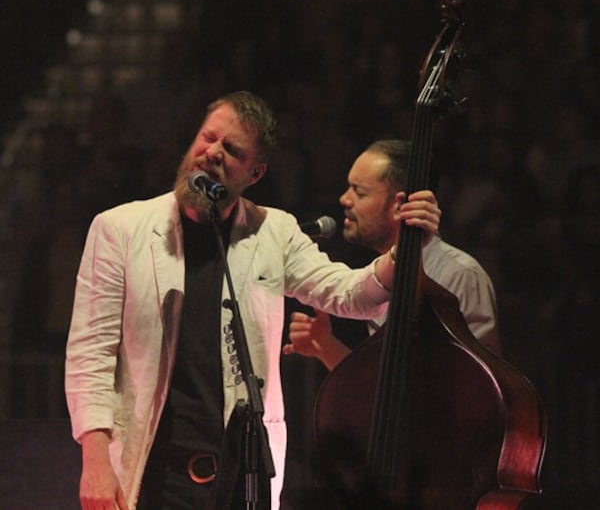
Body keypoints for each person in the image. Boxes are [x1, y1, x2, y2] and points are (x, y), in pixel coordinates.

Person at [64, 92, 441, 510]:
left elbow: (351, 295)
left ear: (254, 173)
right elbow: (90, 354)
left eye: (232, 150)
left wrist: (404, 250)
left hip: (241, 480)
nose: (212, 153)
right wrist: (94, 459)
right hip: (149, 474)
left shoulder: (272, 232)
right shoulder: (120, 229)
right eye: (208, 138)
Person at [283, 138, 501, 372]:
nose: (344, 199)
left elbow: (481, 387)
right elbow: (381, 388)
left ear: (399, 205)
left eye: (359, 191)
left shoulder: (459, 274)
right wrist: (325, 347)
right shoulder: (380, 274)